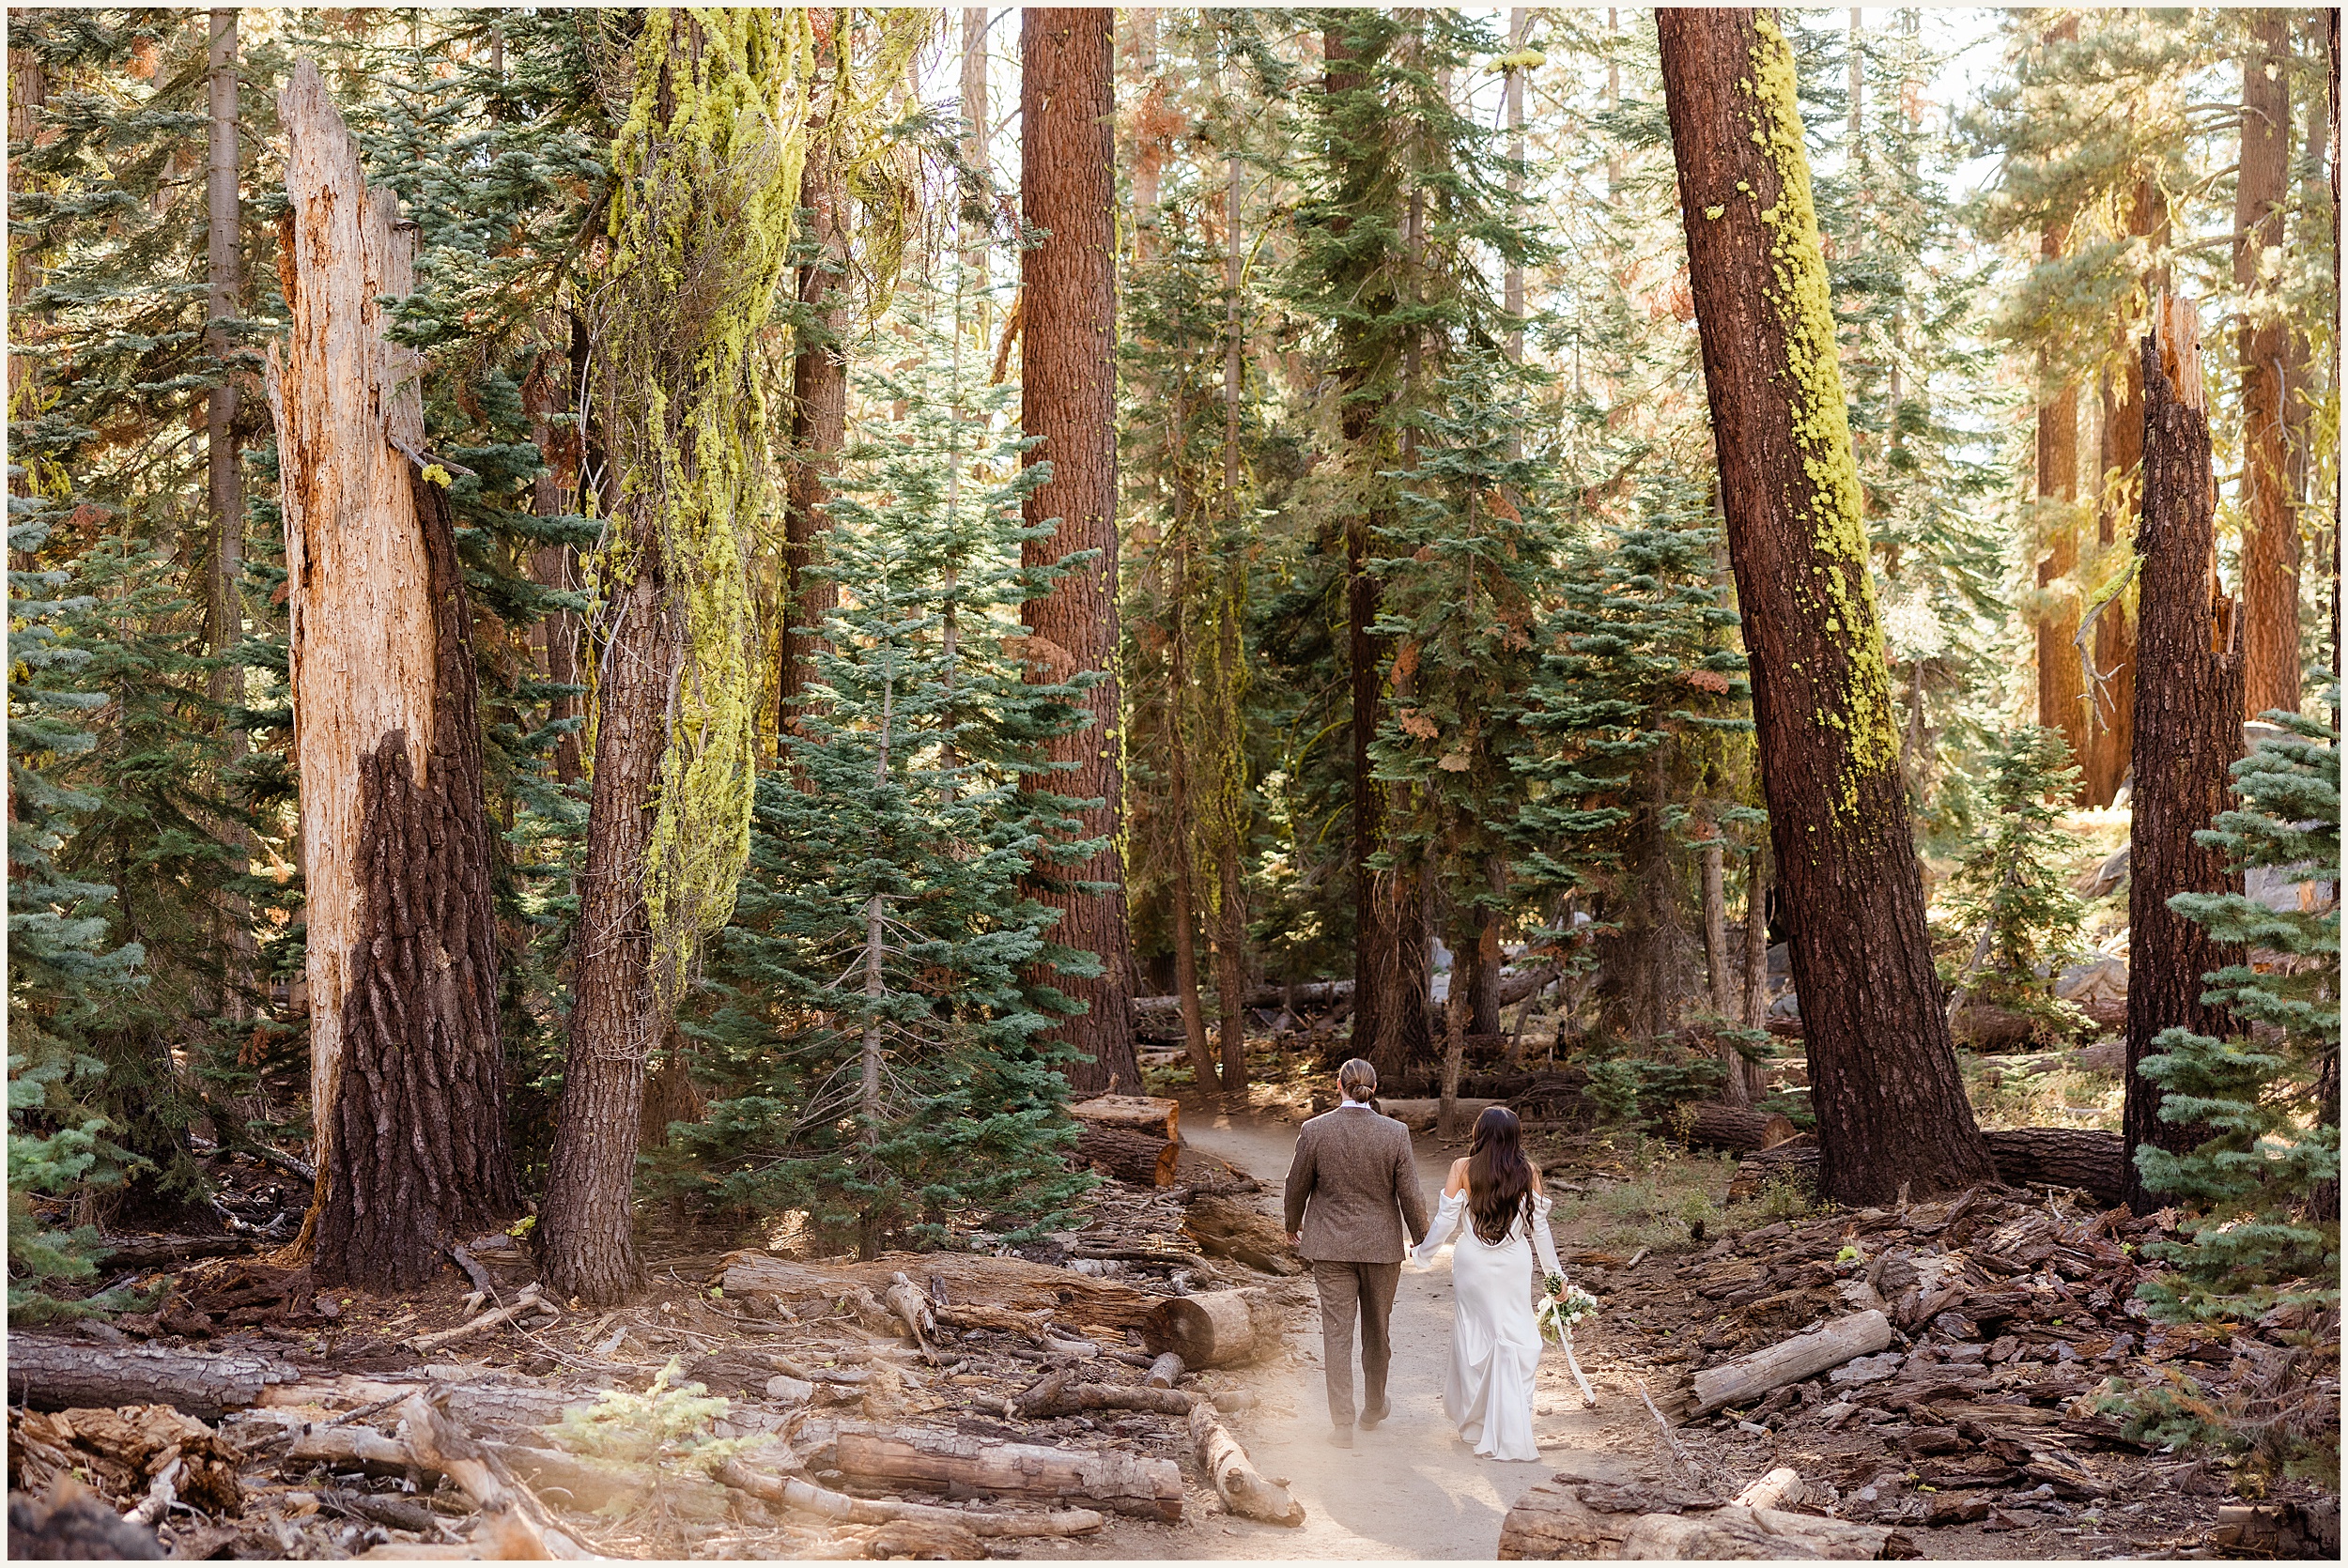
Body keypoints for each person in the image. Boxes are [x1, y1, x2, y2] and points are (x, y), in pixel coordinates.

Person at [1282, 1058, 1429, 1449]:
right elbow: (1410, 1192)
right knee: (1377, 1329)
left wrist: (1291, 1224)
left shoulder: (1314, 1130)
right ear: (1374, 1088)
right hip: (1381, 1248)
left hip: (1330, 1247)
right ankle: (1374, 1406)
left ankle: (1342, 1424)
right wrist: (1422, 1237)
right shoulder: (1395, 1133)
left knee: (1337, 1332)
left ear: (1338, 1086)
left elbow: (1296, 1184)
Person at [1408, 1104, 1563, 1462]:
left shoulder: (1462, 1168)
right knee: (1517, 1334)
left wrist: (1423, 1253)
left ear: (1480, 1133)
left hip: (1473, 1263)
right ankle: (1513, 1418)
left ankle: (1476, 1425)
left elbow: (1447, 1221)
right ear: (1514, 1138)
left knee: (1473, 1336)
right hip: (1513, 1262)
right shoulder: (1529, 1172)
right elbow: (1540, 1230)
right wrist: (1556, 1277)